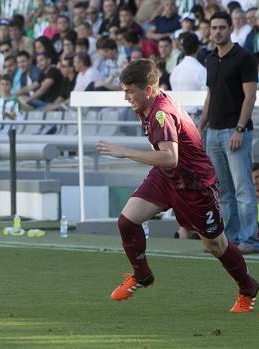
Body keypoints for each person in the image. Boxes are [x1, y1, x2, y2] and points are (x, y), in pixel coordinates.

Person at [96, 59, 258, 312]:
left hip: (196, 186)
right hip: (167, 177)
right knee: (127, 220)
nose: (125, 96)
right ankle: (142, 274)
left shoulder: (161, 114)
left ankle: (248, 288)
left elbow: (170, 157)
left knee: (215, 244)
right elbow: (168, 163)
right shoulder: (147, 103)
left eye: (129, 90)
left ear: (147, 90)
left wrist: (125, 152)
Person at [199, 11, 259, 254]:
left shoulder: (244, 58)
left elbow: (250, 96)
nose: (217, 31)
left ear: (230, 29)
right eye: (214, 28)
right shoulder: (211, 59)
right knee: (223, 192)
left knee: (244, 189)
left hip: (236, 133)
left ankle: (250, 240)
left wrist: (239, 128)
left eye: (222, 27)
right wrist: (201, 125)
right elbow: (210, 95)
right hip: (213, 133)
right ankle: (231, 239)